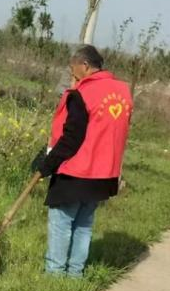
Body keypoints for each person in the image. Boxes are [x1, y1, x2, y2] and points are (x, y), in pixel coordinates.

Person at [31, 45, 132, 277]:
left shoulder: (83, 94)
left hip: (77, 171)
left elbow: (71, 138)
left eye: (73, 67)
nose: (72, 73)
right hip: (105, 173)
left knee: (61, 223)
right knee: (84, 224)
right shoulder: (123, 91)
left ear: (85, 65)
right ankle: (75, 274)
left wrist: (48, 164)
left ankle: (55, 275)